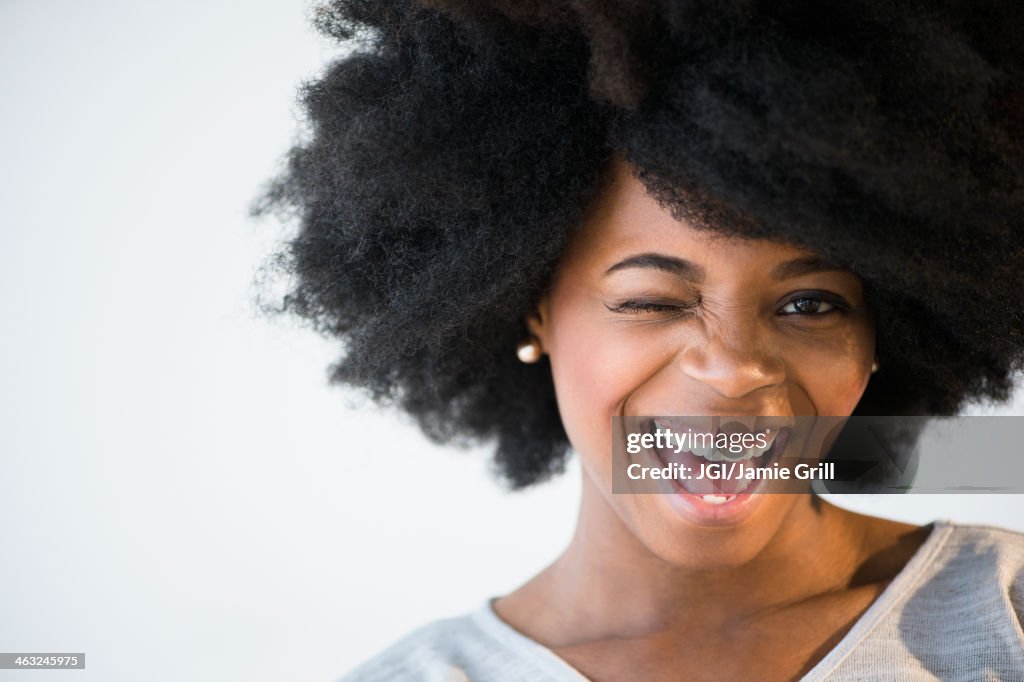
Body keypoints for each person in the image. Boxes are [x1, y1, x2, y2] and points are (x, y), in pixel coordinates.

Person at [254, 1, 1024, 679]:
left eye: (809, 303)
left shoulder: (1005, 611)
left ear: (890, 322)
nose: (732, 368)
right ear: (530, 309)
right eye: (652, 300)